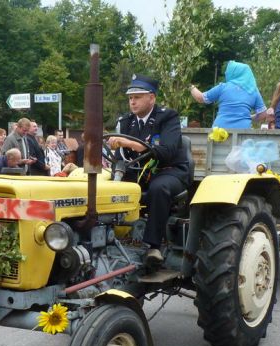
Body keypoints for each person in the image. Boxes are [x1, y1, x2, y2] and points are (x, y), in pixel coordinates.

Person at [108, 74, 189, 266]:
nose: (132, 102)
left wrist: (132, 144)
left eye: (137, 97)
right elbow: (120, 157)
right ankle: (111, 236)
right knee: (109, 187)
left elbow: (167, 152)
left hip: (168, 170)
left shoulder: (168, 117)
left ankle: (152, 246)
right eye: (130, 98)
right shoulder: (126, 121)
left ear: (151, 98)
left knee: (158, 188)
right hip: (136, 171)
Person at [189, 61, 269, 129]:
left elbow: (200, 98)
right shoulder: (253, 90)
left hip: (220, 130)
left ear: (233, 73)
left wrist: (190, 86)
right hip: (243, 131)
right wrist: (248, 117)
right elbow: (263, 114)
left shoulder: (223, 87)